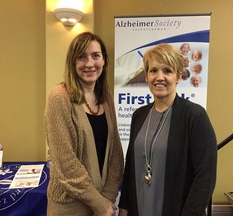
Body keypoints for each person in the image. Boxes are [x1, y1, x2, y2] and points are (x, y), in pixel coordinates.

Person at [118, 43, 217, 216]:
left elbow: (205, 177)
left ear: (178, 76)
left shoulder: (194, 116)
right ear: (147, 76)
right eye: (153, 70)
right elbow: (131, 167)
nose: (159, 77)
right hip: (139, 208)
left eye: (167, 71)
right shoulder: (139, 116)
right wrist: (124, 207)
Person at [44, 32, 124, 216]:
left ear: (104, 61)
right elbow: (65, 162)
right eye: (82, 57)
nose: (89, 64)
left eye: (95, 56)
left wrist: (108, 198)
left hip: (105, 202)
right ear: (73, 63)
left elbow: (115, 152)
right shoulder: (59, 97)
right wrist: (98, 203)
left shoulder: (107, 97)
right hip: (70, 206)